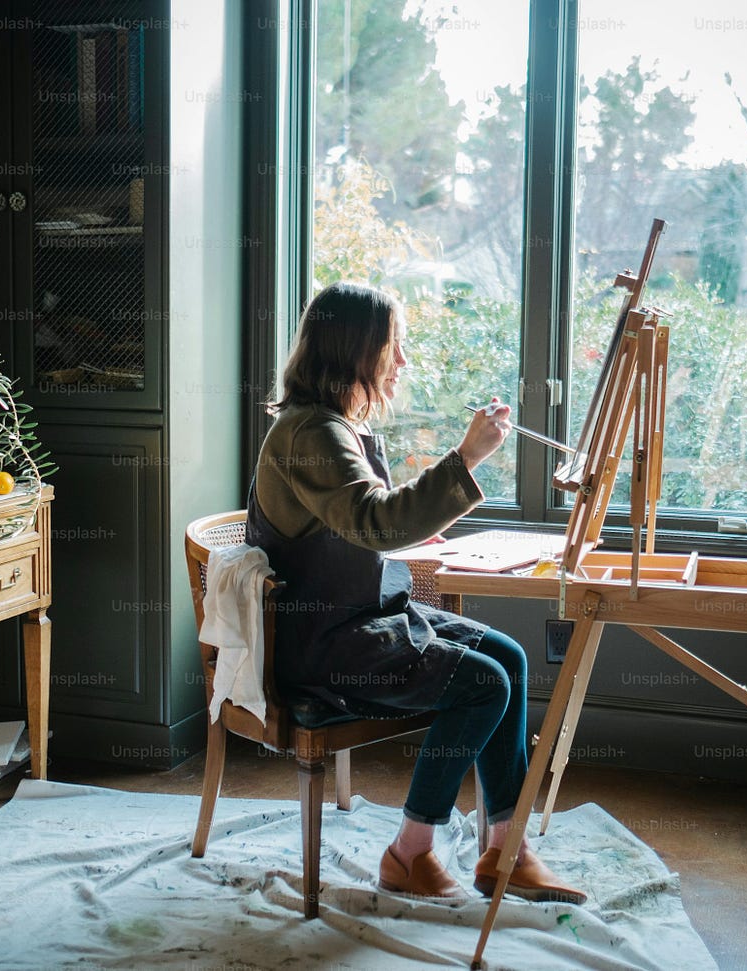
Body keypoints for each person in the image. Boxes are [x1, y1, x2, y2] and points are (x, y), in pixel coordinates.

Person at [247, 281, 586, 904]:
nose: (401, 361)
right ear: (355, 351)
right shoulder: (311, 436)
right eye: (392, 346)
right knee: (485, 684)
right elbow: (379, 522)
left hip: (356, 623)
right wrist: (465, 459)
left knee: (506, 658)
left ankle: (505, 850)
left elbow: (364, 526)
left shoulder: (329, 426)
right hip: (323, 645)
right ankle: (410, 853)